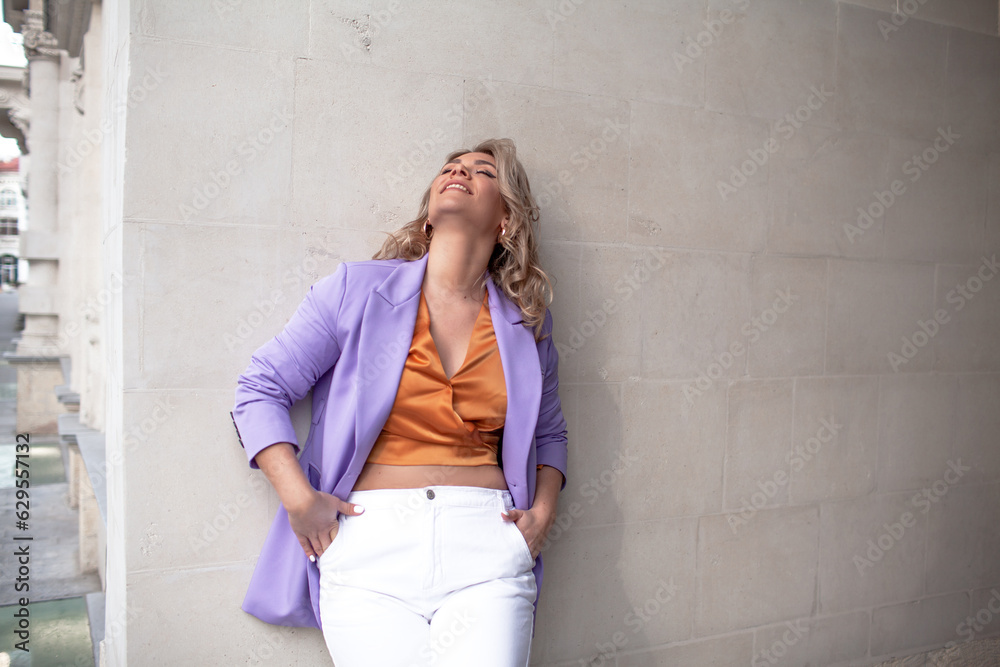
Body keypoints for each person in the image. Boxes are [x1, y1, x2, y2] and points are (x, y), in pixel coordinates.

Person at [230, 137, 568, 666]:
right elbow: (260, 389)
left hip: (488, 548)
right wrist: (299, 500)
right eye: (451, 166)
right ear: (429, 215)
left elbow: (549, 434)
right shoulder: (356, 291)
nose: (459, 172)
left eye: (483, 171)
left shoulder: (526, 325)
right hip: (369, 550)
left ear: (505, 219)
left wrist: (543, 513)